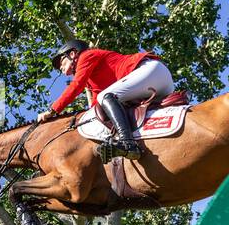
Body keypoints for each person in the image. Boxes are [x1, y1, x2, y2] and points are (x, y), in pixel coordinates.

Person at [39, 40, 174, 158]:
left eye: (61, 62)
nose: (60, 68)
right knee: (105, 100)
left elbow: (76, 86)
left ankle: (128, 144)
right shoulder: (92, 80)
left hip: (150, 70)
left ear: (73, 54)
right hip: (162, 85)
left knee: (106, 96)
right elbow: (95, 106)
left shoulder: (86, 56)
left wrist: (52, 110)